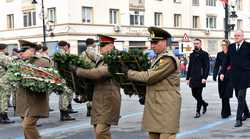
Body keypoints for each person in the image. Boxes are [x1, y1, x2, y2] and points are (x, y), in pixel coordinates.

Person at [120, 27, 181, 139]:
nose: (152, 46)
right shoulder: (158, 58)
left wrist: (129, 72)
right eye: (151, 42)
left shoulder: (168, 59)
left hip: (167, 105)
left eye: (155, 42)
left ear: (164, 42)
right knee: (153, 135)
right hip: (156, 103)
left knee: (166, 136)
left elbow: (150, 77)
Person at [71, 34, 121, 139]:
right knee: (98, 130)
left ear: (111, 46)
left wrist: (77, 70)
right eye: (100, 45)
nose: (100, 47)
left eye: (103, 45)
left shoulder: (116, 59)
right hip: (98, 98)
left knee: (101, 131)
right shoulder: (102, 59)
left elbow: (98, 73)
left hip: (109, 99)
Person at [15, 40, 51, 139]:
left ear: (32, 51)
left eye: (23, 50)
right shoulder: (18, 63)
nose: (20, 53)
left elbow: (52, 81)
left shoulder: (42, 62)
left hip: (36, 100)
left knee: (27, 125)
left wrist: (40, 87)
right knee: (27, 128)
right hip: (23, 100)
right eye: (19, 51)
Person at [220, 30, 250, 127]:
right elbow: (226, 61)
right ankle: (247, 112)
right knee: (238, 95)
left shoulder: (248, 46)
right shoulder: (231, 47)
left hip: (245, 75)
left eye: (238, 35)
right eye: (235, 35)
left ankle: (238, 119)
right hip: (234, 75)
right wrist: (222, 72)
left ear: (242, 36)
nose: (236, 37)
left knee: (241, 96)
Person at [186, 38, 210, 118]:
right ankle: (204, 104)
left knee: (199, 95)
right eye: (195, 43)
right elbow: (190, 67)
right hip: (193, 78)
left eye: (197, 43)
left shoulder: (204, 54)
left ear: (200, 44)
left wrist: (204, 77)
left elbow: (207, 67)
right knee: (194, 94)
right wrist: (187, 78)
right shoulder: (192, 55)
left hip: (200, 78)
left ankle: (197, 112)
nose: (196, 45)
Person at [78, 38, 101, 117]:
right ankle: (93, 110)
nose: (96, 44)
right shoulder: (92, 51)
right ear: (92, 43)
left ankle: (89, 109)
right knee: (95, 91)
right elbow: (99, 60)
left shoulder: (83, 53)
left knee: (89, 92)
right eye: (95, 42)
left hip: (85, 74)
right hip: (93, 74)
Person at [213, 39, 233, 119]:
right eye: (222, 45)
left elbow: (232, 66)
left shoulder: (232, 54)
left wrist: (225, 74)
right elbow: (217, 65)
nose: (223, 46)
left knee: (226, 95)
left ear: (228, 45)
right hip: (221, 77)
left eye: (224, 45)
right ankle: (227, 111)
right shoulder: (219, 54)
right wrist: (214, 74)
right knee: (222, 95)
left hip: (229, 77)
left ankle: (224, 112)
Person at [57, 41, 76, 121]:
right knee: (66, 94)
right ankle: (65, 114)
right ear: (64, 46)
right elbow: (66, 66)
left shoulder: (57, 54)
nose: (67, 47)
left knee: (63, 95)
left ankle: (63, 114)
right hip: (65, 77)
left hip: (60, 77)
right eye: (66, 46)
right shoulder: (63, 54)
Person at [0, 43, 15, 124]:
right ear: (3, 49)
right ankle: (4, 117)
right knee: (4, 99)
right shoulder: (3, 57)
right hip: (3, 81)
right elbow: (11, 67)